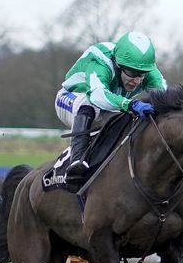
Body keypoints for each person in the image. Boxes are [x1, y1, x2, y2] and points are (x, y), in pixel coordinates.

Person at [54, 31, 167, 188]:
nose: (137, 80)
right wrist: (131, 104)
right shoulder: (101, 61)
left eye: (142, 75)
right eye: (132, 73)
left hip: (107, 107)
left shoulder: (147, 69)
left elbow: (166, 97)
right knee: (90, 105)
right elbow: (97, 95)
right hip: (71, 99)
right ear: (118, 65)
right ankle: (76, 162)